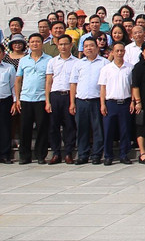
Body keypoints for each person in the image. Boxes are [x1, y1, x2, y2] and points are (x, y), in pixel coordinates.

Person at [16, 34, 52, 165]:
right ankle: (24, 156)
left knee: (42, 128)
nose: (35, 44)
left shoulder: (49, 60)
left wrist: (48, 100)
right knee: (25, 128)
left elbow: (49, 80)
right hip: (26, 98)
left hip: (41, 98)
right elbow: (18, 80)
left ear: (42, 43)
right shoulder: (23, 60)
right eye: (32, 42)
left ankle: (40, 155)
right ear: (29, 44)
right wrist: (17, 99)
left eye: (37, 41)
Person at [98, 43, 136, 165]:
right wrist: (102, 104)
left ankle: (124, 154)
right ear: (112, 53)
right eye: (117, 51)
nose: (120, 53)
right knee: (108, 130)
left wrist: (133, 101)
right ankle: (108, 156)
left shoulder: (130, 68)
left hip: (125, 102)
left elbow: (132, 87)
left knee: (125, 130)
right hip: (111, 103)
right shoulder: (106, 68)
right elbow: (103, 88)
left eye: (122, 50)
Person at [72, 37, 106, 165]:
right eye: (86, 46)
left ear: (97, 48)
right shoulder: (78, 64)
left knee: (98, 129)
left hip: (97, 100)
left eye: (91, 46)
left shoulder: (104, 63)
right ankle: (82, 154)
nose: (89, 48)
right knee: (82, 128)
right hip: (81, 100)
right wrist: (72, 102)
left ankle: (97, 154)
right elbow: (73, 84)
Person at [45, 34, 77, 164]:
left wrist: (72, 102)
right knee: (53, 126)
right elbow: (48, 82)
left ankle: (68, 153)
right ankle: (56, 153)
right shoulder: (52, 61)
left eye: (66, 44)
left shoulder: (77, 62)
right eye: (61, 44)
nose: (63, 46)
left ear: (71, 45)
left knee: (69, 126)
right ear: (57, 46)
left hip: (69, 95)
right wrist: (47, 101)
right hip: (55, 96)